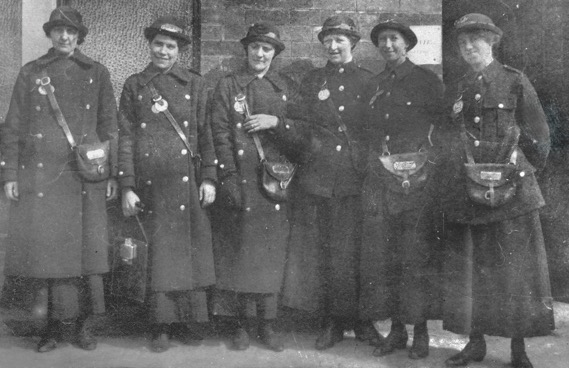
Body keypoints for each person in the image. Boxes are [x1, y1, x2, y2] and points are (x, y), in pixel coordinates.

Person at [0, 6, 118, 352]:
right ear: (50, 35)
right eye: (58, 31)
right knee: (49, 256)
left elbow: (110, 128)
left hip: (84, 179)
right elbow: (13, 129)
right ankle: (52, 328)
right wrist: (10, 174)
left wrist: (110, 174)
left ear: (79, 36)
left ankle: (83, 327)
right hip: (43, 182)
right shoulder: (32, 72)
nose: (65, 37)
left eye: (71, 32)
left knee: (85, 255)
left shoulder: (97, 73)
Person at [441, 13, 554, 368]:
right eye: (462, 43)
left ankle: (518, 351)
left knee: (513, 272)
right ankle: (475, 345)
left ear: (492, 42)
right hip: (470, 192)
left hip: (513, 195)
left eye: (476, 40)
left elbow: (540, 138)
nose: (469, 47)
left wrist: (516, 173)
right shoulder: (458, 86)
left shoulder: (514, 81)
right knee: (474, 270)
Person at [278, 15, 379, 350]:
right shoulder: (312, 80)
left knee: (356, 252)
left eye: (340, 40)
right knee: (325, 253)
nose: (333, 47)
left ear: (353, 43)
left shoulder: (368, 82)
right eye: (328, 41)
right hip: (319, 178)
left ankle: (362, 321)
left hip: (355, 178)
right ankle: (331, 322)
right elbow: (298, 123)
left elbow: (376, 131)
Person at [117, 16, 217, 353]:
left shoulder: (196, 84)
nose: (163, 51)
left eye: (171, 46)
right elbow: (126, 138)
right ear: (150, 45)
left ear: (180, 51)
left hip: (188, 183)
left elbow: (206, 134)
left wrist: (209, 178)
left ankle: (188, 322)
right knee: (159, 256)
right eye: (158, 44)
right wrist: (128, 185)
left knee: (188, 254)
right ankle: (160, 325)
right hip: (151, 186)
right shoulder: (135, 85)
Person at [209, 23, 297, 352]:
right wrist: (229, 178)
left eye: (267, 50)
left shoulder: (285, 87)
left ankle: (268, 324)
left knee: (272, 255)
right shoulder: (229, 86)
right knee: (244, 254)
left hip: (277, 184)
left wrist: (277, 123)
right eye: (255, 48)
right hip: (243, 184)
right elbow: (219, 134)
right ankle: (243, 324)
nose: (260, 55)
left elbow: (302, 133)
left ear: (274, 54)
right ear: (246, 51)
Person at [359, 21, 444, 360]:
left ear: (406, 44)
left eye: (393, 39)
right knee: (387, 256)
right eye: (382, 40)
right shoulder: (375, 84)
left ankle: (420, 330)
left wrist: (429, 167)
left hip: (418, 184)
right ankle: (397, 330)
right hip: (384, 180)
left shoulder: (426, 81)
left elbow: (443, 130)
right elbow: (368, 133)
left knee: (415, 257)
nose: (388, 45)